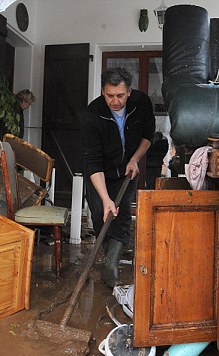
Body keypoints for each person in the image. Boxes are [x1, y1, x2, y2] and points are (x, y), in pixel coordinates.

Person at [81, 67, 155, 287]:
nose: (115, 101)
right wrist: (105, 199)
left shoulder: (141, 104)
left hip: (126, 170)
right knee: (99, 213)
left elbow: (147, 136)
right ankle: (106, 254)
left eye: (120, 96)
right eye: (109, 95)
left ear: (129, 92)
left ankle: (111, 263)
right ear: (103, 91)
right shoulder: (91, 115)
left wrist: (135, 159)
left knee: (121, 213)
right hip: (100, 172)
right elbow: (92, 161)